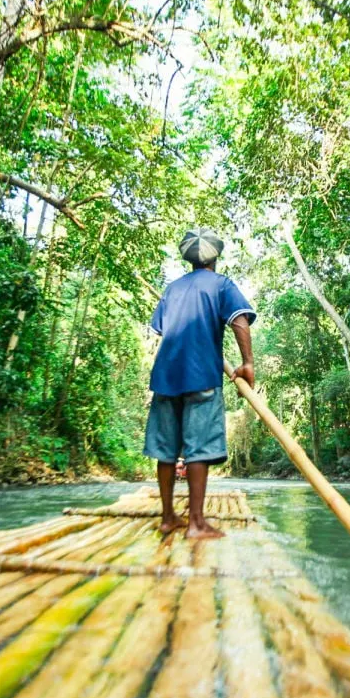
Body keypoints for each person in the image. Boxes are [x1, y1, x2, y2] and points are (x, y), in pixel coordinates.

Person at [144, 227, 256, 539]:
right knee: (198, 449)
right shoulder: (221, 284)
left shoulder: (173, 288)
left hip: (166, 376)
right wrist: (247, 363)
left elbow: (164, 329)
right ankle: (196, 523)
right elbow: (239, 319)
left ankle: (168, 518)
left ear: (189, 260)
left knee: (166, 450)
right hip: (201, 376)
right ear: (215, 258)